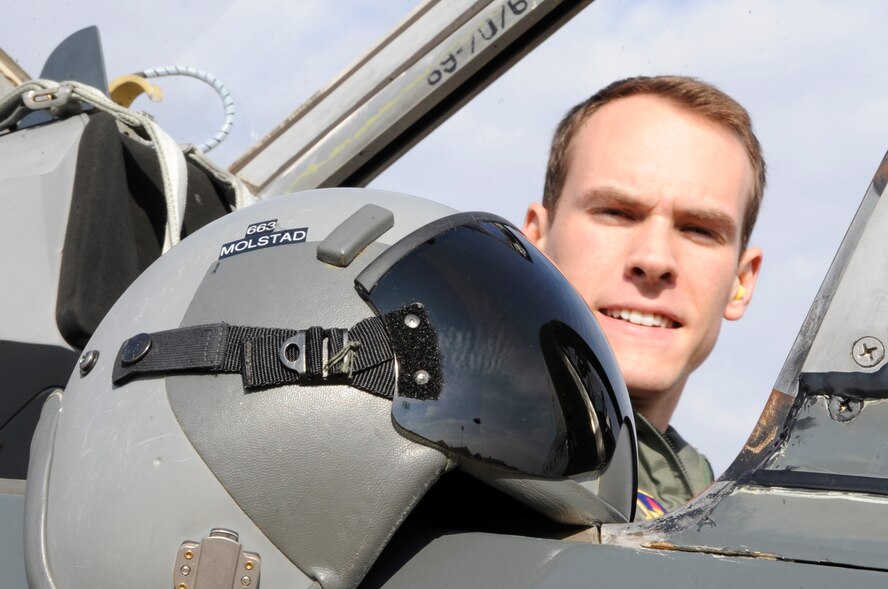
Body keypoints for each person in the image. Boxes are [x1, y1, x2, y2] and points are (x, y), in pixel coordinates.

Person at [522, 75, 765, 520]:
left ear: (742, 281)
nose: (654, 259)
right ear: (535, 242)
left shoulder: (730, 524)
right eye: (615, 212)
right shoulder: (425, 437)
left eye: (699, 230)